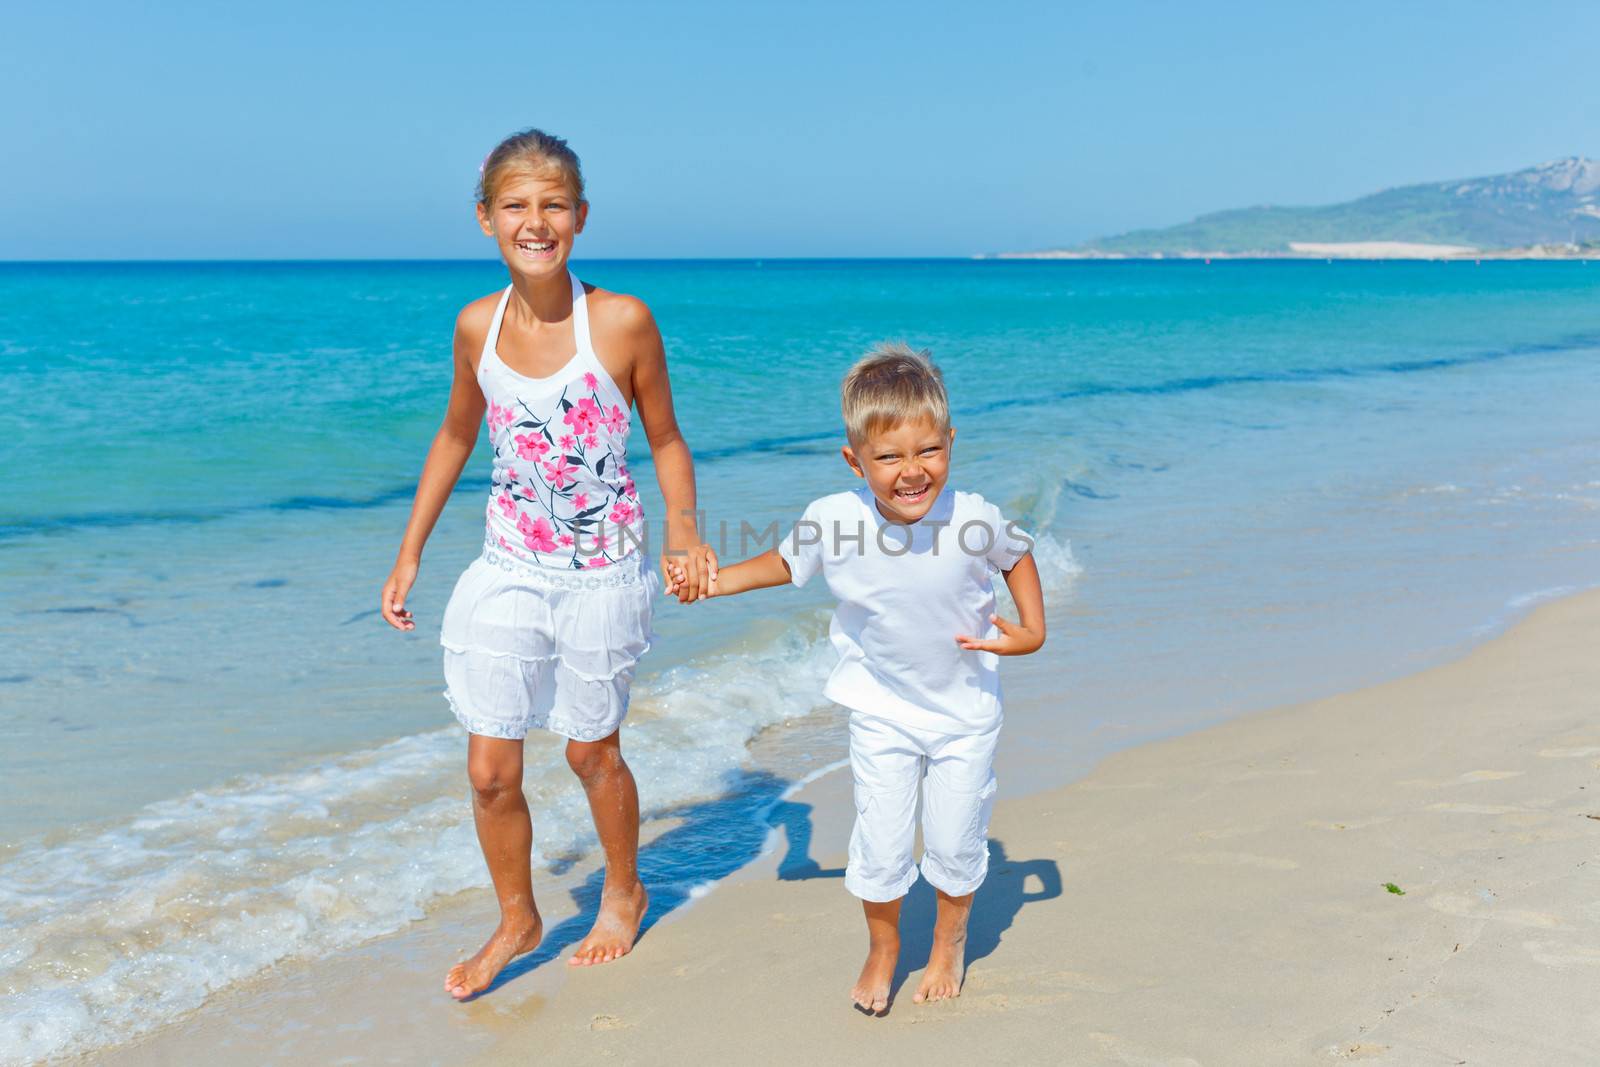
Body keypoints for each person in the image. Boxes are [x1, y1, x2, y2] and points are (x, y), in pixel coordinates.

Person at [380, 128, 714, 1001]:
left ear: (582, 216)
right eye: (517, 206)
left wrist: (684, 532)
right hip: (510, 566)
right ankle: (518, 916)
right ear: (486, 218)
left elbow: (666, 437)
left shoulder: (623, 320)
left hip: (602, 572)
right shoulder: (474, 327)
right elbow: (457, 433)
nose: (537, 222)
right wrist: (410, 550)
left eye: (554, 204)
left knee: (589, 752)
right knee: (490, 769)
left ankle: (624, 889)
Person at [667, 343, 1045, 1014]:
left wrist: (1031, 628)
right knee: (881, 841)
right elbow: (784, 564)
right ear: (855, 460)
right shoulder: (835, 519)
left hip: (964, 712)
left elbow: (1017, 554)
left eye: (928, 451)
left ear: (949, 441)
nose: (911, 472)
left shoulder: (974, 515)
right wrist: (713, 583)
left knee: (957, 840)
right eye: (890, 457)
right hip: (882, 709)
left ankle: (950, 938)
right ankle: (883, 945)